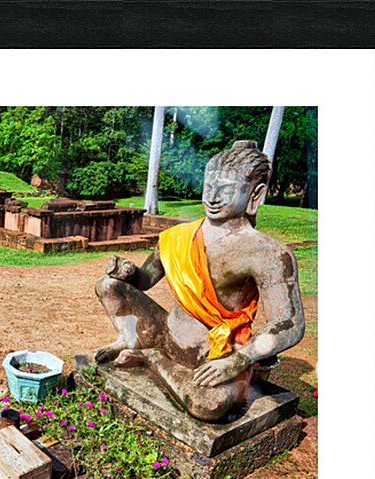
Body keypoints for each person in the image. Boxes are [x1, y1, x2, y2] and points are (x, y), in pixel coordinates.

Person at [94, 140, 305, 421]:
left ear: (255, 195)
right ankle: (131, 339)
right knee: (108, 286)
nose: (213, 197)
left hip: (213, 349)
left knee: (208, 405)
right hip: (166, 331)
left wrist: (237, 361)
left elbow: (289, 323)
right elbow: (146, 280)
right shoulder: (179, 236)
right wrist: (130, 273)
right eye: (209, 187)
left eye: (226, 190)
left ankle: (153, 360)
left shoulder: (268, 253)